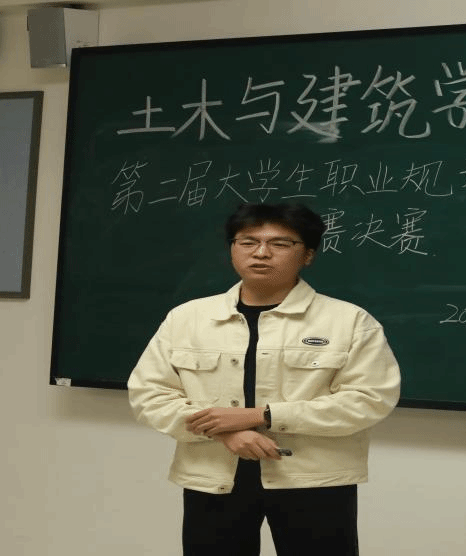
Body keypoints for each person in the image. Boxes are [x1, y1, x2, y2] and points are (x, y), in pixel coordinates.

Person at [127, 203, 402, 556]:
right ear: (232, 249)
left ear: (308, 255)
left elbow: (369, 399)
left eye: (280, 244)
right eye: (247, 242)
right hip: (213, 476)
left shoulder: (349, 321)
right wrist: (223, 431)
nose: (260, 253)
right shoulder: (187, 318)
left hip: (313, 481)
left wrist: (263, 416)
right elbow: (149, 394)